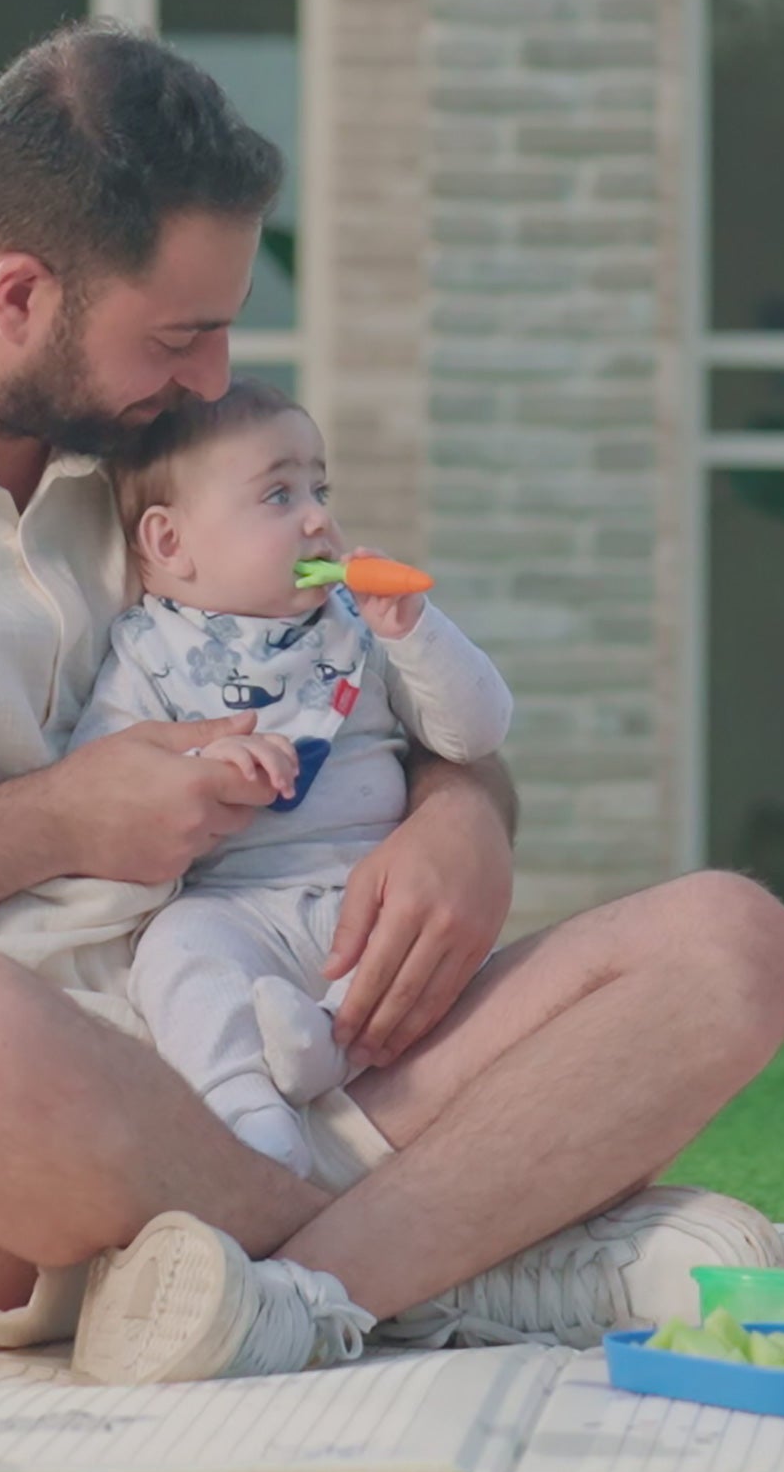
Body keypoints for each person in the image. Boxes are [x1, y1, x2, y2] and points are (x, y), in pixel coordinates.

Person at [0, 19, 784, 1388]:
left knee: (729, 944)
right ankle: (458, 1261)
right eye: (181, 334)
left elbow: (375, 680)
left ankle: (286, 1283)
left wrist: (464, 820)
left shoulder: (143, 460)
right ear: (20, 295)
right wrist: (54, 822)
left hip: (260, 1079)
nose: (214, 380)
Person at [71, 376, 513, 1180]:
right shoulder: (148, 653)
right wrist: (204, 765)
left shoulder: (355, 636)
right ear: (170, 545)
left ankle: (327, 1050)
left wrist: (417, 635)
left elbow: (476, 732)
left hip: (368, 899)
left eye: (319, 486)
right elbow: (107, 782)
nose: (317, 516)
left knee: (450, 971)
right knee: (176, 954)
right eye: (278, 494)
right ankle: (248, 1116)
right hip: (239, 906)